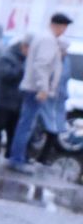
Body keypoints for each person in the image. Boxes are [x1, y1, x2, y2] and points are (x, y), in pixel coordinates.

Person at [6, 13, 72, 171]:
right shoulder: (48, 40)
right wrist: (43, 88)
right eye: (65, 27)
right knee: (26, 125)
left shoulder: (45, 38)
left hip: (33, 88)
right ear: (60, 26)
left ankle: (18, 158)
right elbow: (41, 65)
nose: (64, 30)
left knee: (27, 125)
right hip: (35, 90)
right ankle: (17, 160)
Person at [0, 34, 29, 159]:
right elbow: (5, 75)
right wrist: (23, 69)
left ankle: (9, 155)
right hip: (2, 101)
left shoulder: (26, 59)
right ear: (24, 46)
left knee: (13, 130)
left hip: (17, 102)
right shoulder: (7, 56)